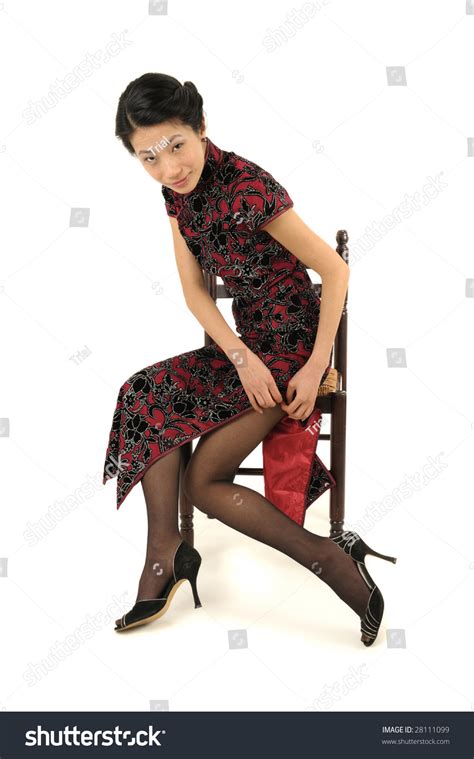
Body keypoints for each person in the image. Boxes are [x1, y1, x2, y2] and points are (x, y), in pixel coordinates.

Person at [103, 73, 397, 643]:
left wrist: (315, 367)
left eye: (177, 146)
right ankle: (165, 552)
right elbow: (194, 290)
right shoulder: (174, 195)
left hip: (291, 348)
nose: (168, 168)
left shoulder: (247, 186)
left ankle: (330, 561)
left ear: (202, 128)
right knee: (142, 393)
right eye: (148, 158)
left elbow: (335, 272)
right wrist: (239, 357)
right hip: (248, 351)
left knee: (203, 483)